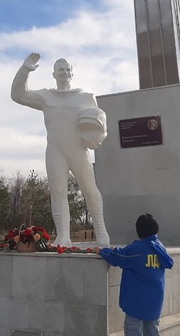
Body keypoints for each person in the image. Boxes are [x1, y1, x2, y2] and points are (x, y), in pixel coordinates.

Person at [11, 52, 110, 247]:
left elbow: (99, 126)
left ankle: (101, 232)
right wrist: (24, 71)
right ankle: (63, 236)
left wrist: (98, 137)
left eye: (67, 69)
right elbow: (18, 95)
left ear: (72, 74)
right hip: (55, 150)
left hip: (78, 150)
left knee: (89, 189)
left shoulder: (85, 97)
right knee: (57, 193)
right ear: (54, 74)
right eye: (60, 70)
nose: (64, 72)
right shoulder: (46, 97)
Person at [96, 213, 173, 336]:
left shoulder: (138, 249)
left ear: (139, 231)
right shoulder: (159, 247)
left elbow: (118, 258)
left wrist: (102, 251)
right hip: (154, 303)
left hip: (137, 302)